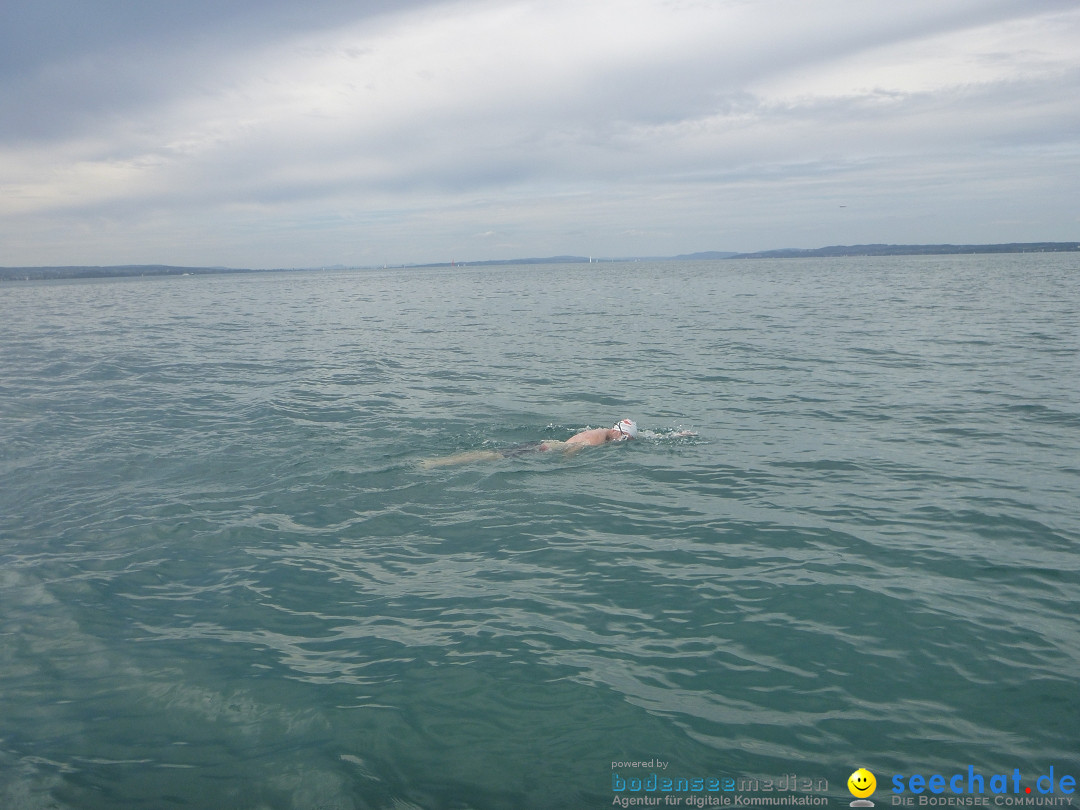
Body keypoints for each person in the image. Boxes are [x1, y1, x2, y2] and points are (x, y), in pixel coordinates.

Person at [420, 419, 640, 468]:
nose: (624, 442)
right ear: (619, 432)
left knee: (492, 454)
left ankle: (438, 462)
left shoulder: (604, 431)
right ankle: (436, 463)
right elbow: (573, 450)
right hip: (542, 450)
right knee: (491, 456)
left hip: (544, 445)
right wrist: (563, 466)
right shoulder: (597, 439)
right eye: (625, 438)